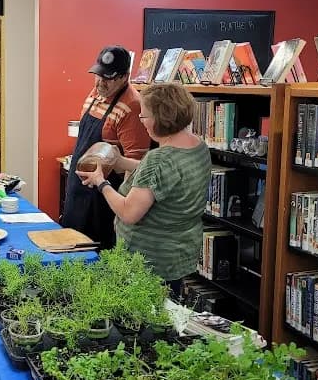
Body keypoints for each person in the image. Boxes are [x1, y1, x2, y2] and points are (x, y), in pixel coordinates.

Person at [77, 83, 212, 295]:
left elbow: (129, 213)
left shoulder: (158, 159)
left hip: (149, 260)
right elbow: (165, 176)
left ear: (162, 118)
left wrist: (101, 182)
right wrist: (123, 162)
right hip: (177, 254)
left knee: (145, 320)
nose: (142, 122)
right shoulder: (197, 146)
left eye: (144, 116)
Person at [61, 45, 150, 249]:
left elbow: (136, 165)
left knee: (95, 259)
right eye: (98, 75)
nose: (100, 82)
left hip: (102, 200)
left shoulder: (132, 106)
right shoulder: (96, 92)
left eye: (108, 77)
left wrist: (124, 211)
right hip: (78, 190)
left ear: (124, 76)